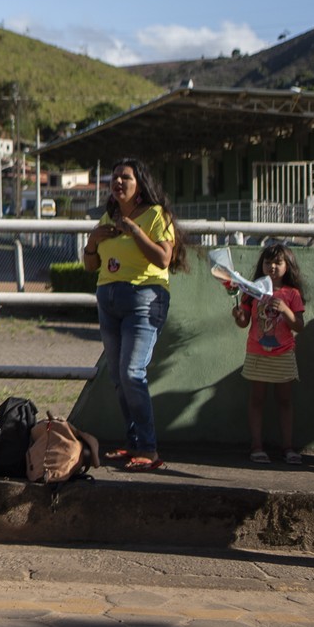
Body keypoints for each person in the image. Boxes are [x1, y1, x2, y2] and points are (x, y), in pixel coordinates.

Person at [81, 157, 188, 473]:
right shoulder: (107, 216)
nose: (118, 183)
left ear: (140, 184)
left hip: (144, 299)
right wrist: (92, 242)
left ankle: (148, 448)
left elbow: (163, 259)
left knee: (132, 372)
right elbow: (90, 266)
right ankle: (132, 442)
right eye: (114, 178)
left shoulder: (157, 215)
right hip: (108, 300)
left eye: (125, 178)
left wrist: (134, 231)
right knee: (117, 376)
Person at [230, 243, 306, 465]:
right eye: (267, 262)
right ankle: (256, 446)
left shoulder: (292, 293)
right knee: (257, 400)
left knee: (285, 401)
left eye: (278, 262)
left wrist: (285, 310)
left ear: (287, 266)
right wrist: (237, 315)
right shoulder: (252, 290)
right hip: (257, 353)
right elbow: (244, 322)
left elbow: (299, 326)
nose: (272, 266)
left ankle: (288, 447)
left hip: (283, 354)